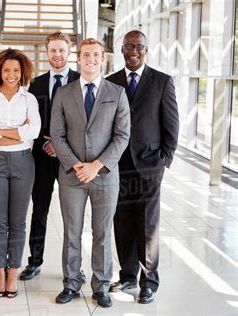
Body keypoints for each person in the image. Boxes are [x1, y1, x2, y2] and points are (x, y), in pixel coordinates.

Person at [50, 38, 130, 308]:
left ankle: (101, 286)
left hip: (105, 176)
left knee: (102, 232)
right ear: (78, 58)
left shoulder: (117, 93)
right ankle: (71, 283)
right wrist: (76, 165)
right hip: (72, 176)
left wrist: (96, 166)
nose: (91, 59)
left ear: (102, 57)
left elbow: (122, 136)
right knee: (71, 232)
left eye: (96, 54)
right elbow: (57, 136)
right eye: (86, 54)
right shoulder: (63, 93)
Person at [106, 30, 179, 304]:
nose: (133, 51)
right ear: (122, 49)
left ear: (146, 49)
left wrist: (165, 160)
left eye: (139, 46)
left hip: (150, 164)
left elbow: (171, 124)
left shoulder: (162, 81)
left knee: (148, 225)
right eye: (128, 46)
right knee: (122, 222)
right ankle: (127, 276)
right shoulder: (110, 82)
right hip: (118, 165)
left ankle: (150, 282)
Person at [21, 31, 85, 283]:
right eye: (53, 51)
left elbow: (83, 123)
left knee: (74, 214)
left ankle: (74, 267)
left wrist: (61, 147)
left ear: (69, 53)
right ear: (47, 53)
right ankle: (34, 261)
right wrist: (46, 144)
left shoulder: (81, 82)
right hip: (42, 157)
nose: (57, 55)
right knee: (39, 210)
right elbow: (29, 122)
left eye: (61, 50)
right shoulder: (35, 85)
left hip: (72, 158)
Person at [0, 48, 41, 298]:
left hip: (24, 162)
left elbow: (33, 132)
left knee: (18, 222)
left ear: (22, 71)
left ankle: (12, 271)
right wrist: (15, 133)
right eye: (6, 70)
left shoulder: (29, 100)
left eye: (16, 70)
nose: (11, 75)